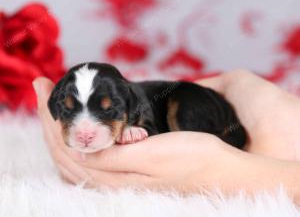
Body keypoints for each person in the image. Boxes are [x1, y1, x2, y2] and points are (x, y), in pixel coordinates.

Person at [32, 70, 300, 204]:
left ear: (128, 105)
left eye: (107, 111)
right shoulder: (123, 100)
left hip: (191, 99)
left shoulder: (140, 106)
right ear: (56, 107)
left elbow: (146, 125)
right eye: (68, 111)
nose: (85, 130)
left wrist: (228, 169)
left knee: (184, 107)